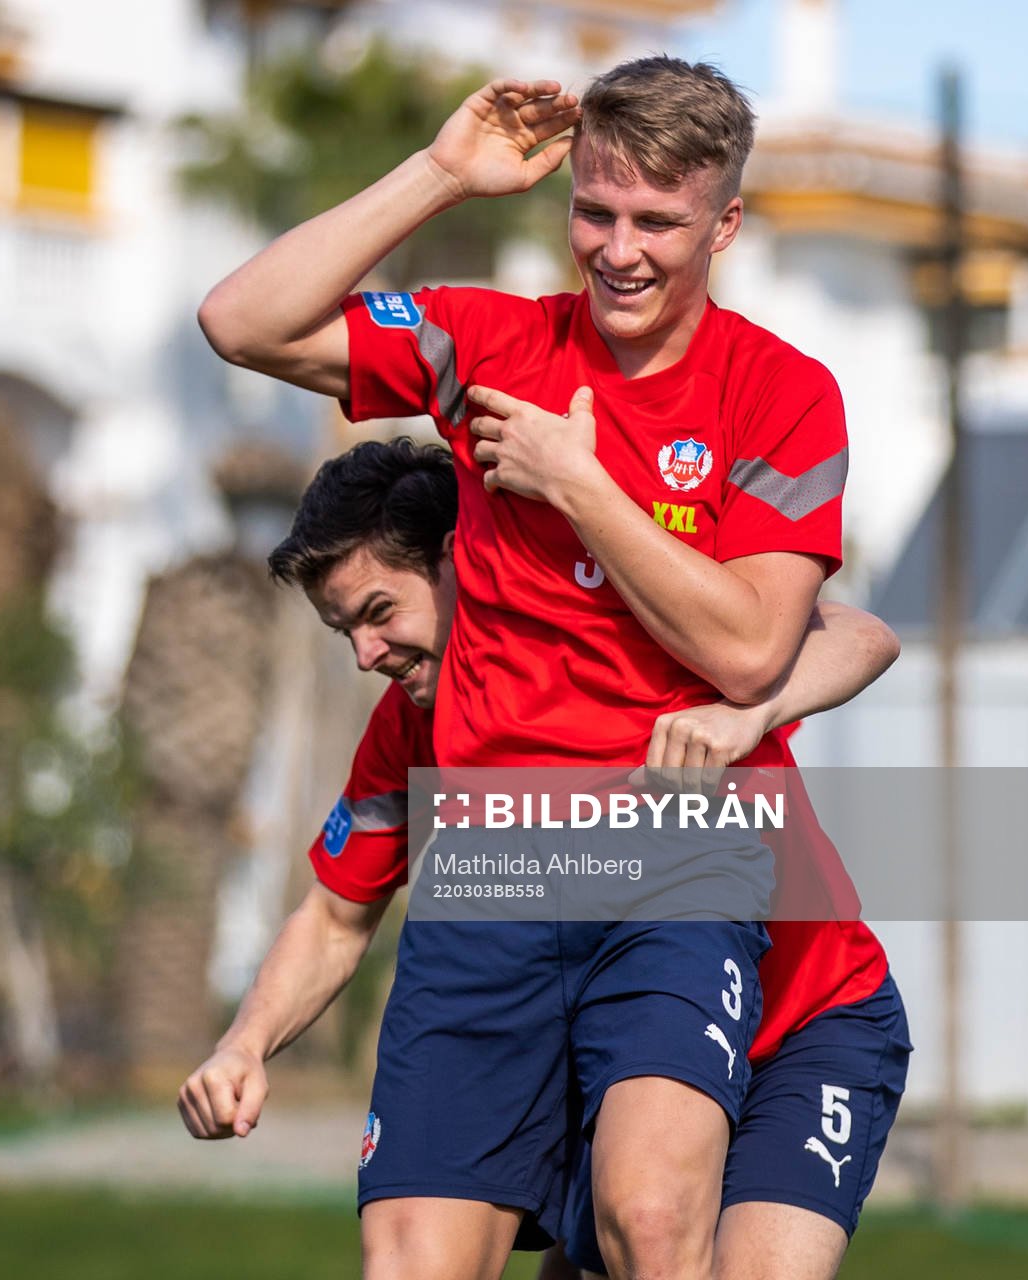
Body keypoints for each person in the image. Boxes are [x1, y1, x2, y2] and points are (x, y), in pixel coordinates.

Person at [196, 56, 886, 1280]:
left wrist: (579, 483)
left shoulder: (784, 395)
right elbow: (244, 321)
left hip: (676, 851)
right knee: (409, 1256)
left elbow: (749, 646)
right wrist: (439, 174)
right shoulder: (490, 341)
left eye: (657, 222)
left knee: (650, 1220)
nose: (617, 249)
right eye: (595, 212)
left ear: (724, 223)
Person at [179, 441, 911, 1280]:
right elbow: (337, 915)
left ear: (468, 563)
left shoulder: (622, 628)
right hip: (621, 1047)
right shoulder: (412, 730)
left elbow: (860, 630)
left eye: (381, 611)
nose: (365, 654)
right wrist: (244, 1044)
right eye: (344, 629)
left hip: (803, 1029)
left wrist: (748, 709)